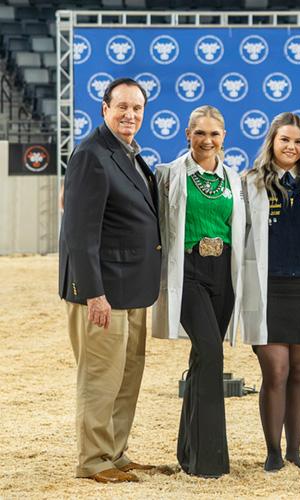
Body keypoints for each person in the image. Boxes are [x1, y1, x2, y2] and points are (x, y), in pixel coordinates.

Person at [59, 77, 161, 483]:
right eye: (122, 107)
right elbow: (79, 234)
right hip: (103, 293)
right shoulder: (91, 154)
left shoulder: (129, 154)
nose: (130, 115)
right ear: (104, 108)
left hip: (132, 288)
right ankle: (93, 460)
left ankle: (114, 451)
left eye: (136, 108)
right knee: (101, 378)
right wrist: (93, 296)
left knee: (126, 376)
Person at [151, 105, 245, 478]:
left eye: (215, 134)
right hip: (187, 269)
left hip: (222, 271)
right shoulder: (168, 175)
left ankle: (188, 452)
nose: (208, 140)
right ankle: (209, 461)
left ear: (224, 137)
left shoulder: (234, 180)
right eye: (200, 133)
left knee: (203, 359)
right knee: (209, 351)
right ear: (187, 134)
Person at [240, 112, 300, 472]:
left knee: (298, 373)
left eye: (298, 141)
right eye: (284, 140)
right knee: (275, 372)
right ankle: (273, 452)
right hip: (269, 290)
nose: (291, 147)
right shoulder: (250, 184)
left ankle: (295, 452)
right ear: (272, 143)